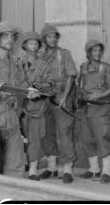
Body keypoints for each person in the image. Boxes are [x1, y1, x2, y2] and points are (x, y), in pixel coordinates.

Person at [0, 22, 40, 177]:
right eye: (5, 36)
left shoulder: (16, 62)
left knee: (16, 165)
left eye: (12, 37)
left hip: (12, 120)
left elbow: (22, 84)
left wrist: (27, 92)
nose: (9, 40)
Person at [39, 23, 78, 183]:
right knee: (47, 133)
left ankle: (67, 169)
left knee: (64, 133)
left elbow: (71, 76)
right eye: (49, 36)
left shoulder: (64, 54)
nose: (53, 39)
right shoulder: (39, 56)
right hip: (45, 98)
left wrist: (64, 97)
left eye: (55, 36)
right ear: (43, 39)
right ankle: (52, 166)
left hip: (62, 96)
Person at [76, 39, 110, 184]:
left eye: (99, 50)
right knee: (87, 139)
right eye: (94, 50)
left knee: (103, 139)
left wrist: (99, 95)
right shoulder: (83, 68)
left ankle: (106, 171)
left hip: (102, 110)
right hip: (86, 109)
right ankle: (94, 168)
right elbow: (79, 87)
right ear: (88, 53)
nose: (98, 53)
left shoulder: (106, 68)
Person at [20, 31, 54, 180]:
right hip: (18, 106)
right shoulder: (17, 62)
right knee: (18, 139)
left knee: (35, 139)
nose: (33, 45)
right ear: (25, 45)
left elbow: (50, 85)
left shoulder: (43, 65)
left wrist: (37, 87)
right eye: (30, 42)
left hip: (36, 108)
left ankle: (33, 170)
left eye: (36, 43)